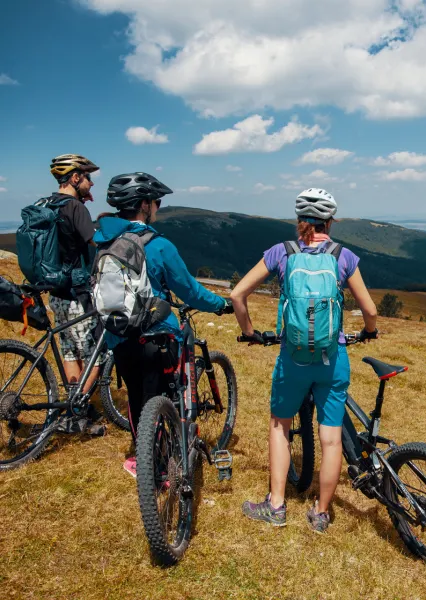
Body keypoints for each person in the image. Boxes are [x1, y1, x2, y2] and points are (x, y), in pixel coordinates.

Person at [233, 188, 378, 534]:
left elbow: (238, 294)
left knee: (279, 426)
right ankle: (321, 513)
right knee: (331, 439)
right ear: (330, 222)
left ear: (299, 221)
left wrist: (250, 332)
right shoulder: (343, 256)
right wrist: (369, 331)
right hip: (332, 359)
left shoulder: (281, 252)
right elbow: (371, 311)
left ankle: (276, 506)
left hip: (292, 360)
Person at [93, 172, 231, 478]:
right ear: (144, 205)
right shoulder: (158, 245)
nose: (158, 206)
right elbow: (190, 291)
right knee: (167, 396)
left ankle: (142, 456)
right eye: (156, 201)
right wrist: (220, 304)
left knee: (137, 397)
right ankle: (165, 463)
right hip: (157, 336)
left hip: (119, 335)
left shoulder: (105, 240)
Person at [46, 155, 104, 398]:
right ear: (75, 178)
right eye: (88, 177)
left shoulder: (47, 204)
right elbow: (95, 240)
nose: (91, 183)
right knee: (96, 356)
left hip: (55, 292)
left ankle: (72, 402)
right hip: (77, 295)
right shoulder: (75, 207)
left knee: (70, 351)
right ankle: (77, 409)